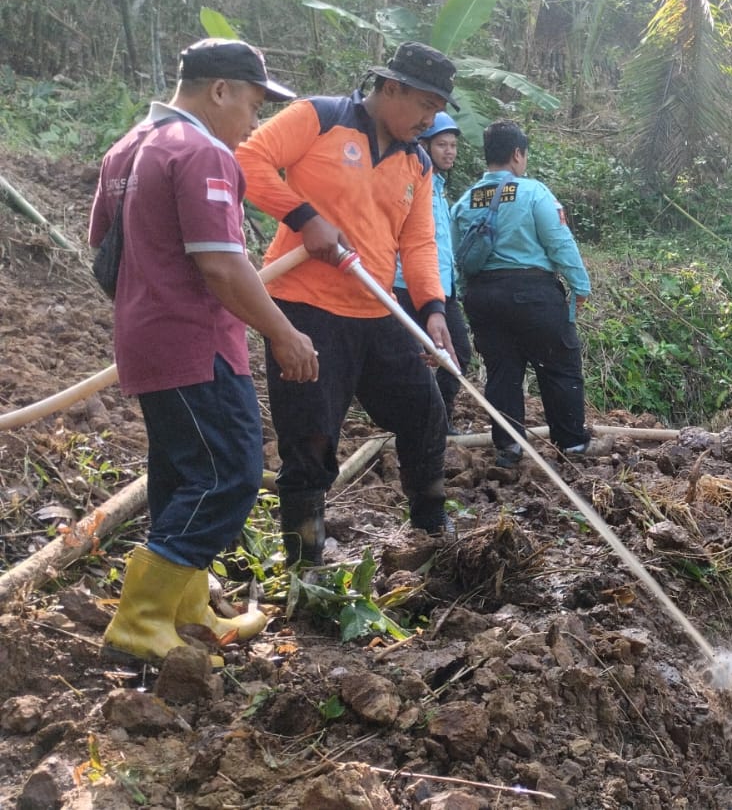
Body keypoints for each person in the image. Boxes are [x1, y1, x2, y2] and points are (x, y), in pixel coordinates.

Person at [89, 39, 317, 663]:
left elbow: (104, 252)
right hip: (195, 343)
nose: (253, 122)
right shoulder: (202, 151)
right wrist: (283, 332)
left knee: (182, 472)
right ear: (219, 90)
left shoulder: (127, 149)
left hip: (147, 338)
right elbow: (220, 264)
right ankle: (140, 621)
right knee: (228, 473)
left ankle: (184, 609)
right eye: (251, 104)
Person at [237, 41, 461, 566]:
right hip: (306, 308)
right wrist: (304, 217)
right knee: (310, 436)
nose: (429, 119)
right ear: (392, 88)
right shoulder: (319, 117)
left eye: (436, 111)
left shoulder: (418, 164)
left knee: (425, 411)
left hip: (377, 310)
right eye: (424, 105)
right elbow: (248, 160)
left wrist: (433, 309)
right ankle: (304, 557)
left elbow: (419, 241)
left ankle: (432, 527)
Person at [453, 120, 610, 468]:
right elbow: (559, 242)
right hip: (533, 294)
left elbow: (454, 259)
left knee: (502, 372)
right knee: (559, 367)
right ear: (517, 154)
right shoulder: (533, 191)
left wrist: (467, 296)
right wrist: (580, 287)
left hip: (483, 298)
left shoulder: (465, 202)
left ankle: (508, 450)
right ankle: (572, 446)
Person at [393, 111, 472, 435]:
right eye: (442, 144)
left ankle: (441, 417)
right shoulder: (407, 181)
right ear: (423, 144)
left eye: (453, 145)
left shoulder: (438, 188)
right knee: (414, 361)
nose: (449, 151)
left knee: (459, 354)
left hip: (442, 290)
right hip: (404, 285)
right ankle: (418, 424)